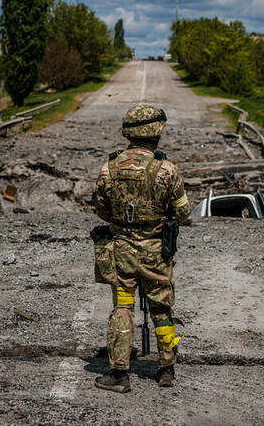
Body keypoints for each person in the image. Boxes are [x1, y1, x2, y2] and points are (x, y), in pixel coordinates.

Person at [91, 104, 191, 393]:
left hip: (121, 251)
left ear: (129, 133)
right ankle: (166, 369)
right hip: (156, 253)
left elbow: (101, 210)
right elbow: (183, 212)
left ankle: (119, 374)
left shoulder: (109, 167)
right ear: (156, 133)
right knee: (161, 308)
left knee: (123, 306)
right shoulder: (166, 169)